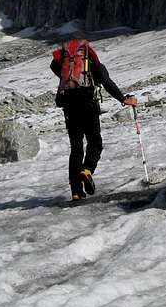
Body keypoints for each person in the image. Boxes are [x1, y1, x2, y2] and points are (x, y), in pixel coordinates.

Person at [51, 37, 138, 201]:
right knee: (95, 142)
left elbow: (54, 67)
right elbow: (106, 81)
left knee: (76, 148)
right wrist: (123, 99)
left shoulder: (63, 62)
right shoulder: (91, 60)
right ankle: (87, 170)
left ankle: (76, 192)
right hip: (88, 105)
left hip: (69, 106)